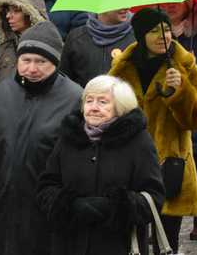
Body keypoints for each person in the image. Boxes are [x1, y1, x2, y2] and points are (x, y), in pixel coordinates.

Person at [0, 21, 82, 255]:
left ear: (55, 63)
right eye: (26, 60)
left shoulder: (74, 98)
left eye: (41, 62)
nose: (32, 69)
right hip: (2, 215)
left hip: (49, 220)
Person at [108, 8, 197, 253]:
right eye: (154, 31)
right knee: (134, 238)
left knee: (167, 241)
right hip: (131, 166)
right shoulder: (122, 69)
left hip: (170, 165)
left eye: (166, 30)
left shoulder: (185, 66)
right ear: (141, 35)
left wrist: (181, 91)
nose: (163, 36)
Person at [37, 75, 165, 255]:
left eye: (103, 102)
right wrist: (69, 205)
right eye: (89, 101)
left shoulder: (139, 142)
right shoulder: (69, 137)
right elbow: (46, 187)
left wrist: (113, 206)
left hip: (119, 246)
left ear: (120, 107)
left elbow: (154, 198)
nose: (94, 107)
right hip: (70, 244)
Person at [162, 0, 197, 241]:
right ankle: (165, 218)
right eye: (165, 2)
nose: (170, 6)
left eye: (175, 2)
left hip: (196, 109)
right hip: (167, 111)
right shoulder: (156, 36)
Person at [60, 7, 135, 87]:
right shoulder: (76, 37)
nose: (127, 8)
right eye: (119, 2)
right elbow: (65, 79)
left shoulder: (138, 36)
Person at [0, 0, 48, 83]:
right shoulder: (4, 48)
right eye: (8, 11)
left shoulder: (51, 47)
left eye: (16, 11)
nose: (8, 16)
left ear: (31, 14)